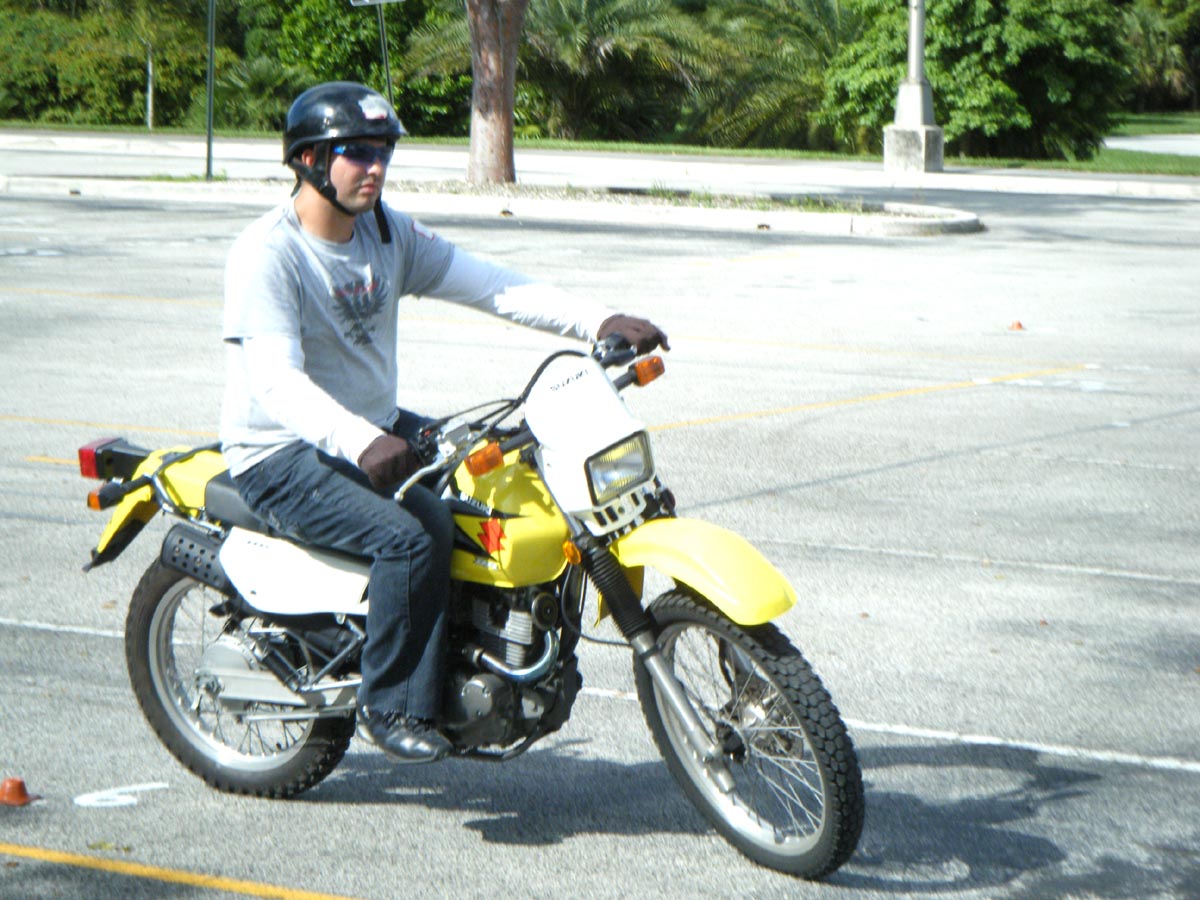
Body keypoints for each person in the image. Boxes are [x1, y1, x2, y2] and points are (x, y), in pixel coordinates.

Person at [219, 81, 668, 764]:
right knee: (412, 535)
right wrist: (362, 439)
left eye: (383, 152)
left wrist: (598, 320)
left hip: (373, 426)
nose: (375, 167)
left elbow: (490, 284)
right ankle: (393, 704)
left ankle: (475, 651)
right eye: (357, 153)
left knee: (499, 476)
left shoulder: (386, 232)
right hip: (281, 452)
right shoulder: (268, 254)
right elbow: (276, 382)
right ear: (309, 160)